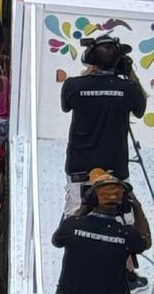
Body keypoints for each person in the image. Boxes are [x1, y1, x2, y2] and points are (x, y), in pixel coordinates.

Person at [52, 170, 151, 294]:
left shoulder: (71, 226)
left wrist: (82, 209)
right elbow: (146, 240)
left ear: (91, 199)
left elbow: (56, 241)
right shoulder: (127, 235)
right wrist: (137, 206)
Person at [62, 39, 149, 186]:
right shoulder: (130, 88)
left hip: (79, 168)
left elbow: (66, 107)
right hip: (115, 169)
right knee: (117, 207)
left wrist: (88, 73)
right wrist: (130, 73)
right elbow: (140, 111)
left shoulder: (72, 85)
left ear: (90, 59)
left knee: (78, 209)